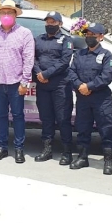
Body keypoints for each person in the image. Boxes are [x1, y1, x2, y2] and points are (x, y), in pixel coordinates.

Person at [0, 0, 35, 163]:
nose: (6, 16)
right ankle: (2, 148)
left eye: (9, 13)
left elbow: (28, 59)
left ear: (15, 15)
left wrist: (24, 82)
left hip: (16, 83)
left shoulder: (24, 33)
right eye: (3, 13)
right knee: (1, 116)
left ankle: (19, 149)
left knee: (18, 116)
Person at [69, 22, 112, 174]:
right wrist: (79, 86)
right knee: (82, 128)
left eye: (93, 35)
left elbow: (107, 75)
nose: (89, 37)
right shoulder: (79, 54)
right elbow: (71, 73)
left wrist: (89, 86)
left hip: (101, 98)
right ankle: (82, 157)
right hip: (83, 98)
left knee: (106, 128)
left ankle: (108, 160)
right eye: (87, 35)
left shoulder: (106, 55)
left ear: (101, 37)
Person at [32, 11, 74, 165]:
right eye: (48, 22)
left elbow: (64, 62)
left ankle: (67, 152)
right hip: (43, 85)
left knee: (63, 119)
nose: (50, 25)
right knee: (46, 118)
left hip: (60, 85)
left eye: (53, 22)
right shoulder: (38, 39)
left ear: (60, 24)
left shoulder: (66, 40)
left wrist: (47, 73)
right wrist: (39, 73)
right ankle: (47, 150)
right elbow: (33, 58)